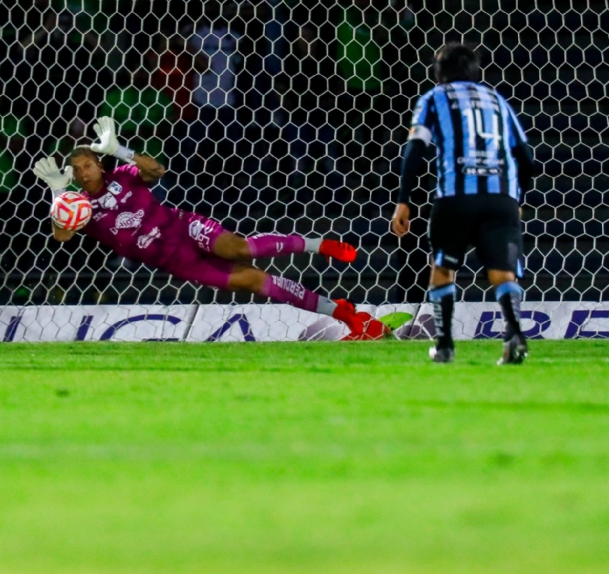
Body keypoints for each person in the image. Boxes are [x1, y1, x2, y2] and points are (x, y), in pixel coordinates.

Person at [36, 118, 381, 338]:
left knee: (239, 248)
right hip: (178, 262)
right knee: (253, 281)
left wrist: (120, 150)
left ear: (99, 163)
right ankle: (348, 317)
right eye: (76, 169)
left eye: (87, 165)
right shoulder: (77, 207)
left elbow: (157, 172)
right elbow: (61, 235)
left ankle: (318, 244)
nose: (83, 173)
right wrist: (56, 196)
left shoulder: (123, 175)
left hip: (183, 227)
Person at [390, 43, 540, 365]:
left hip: (455, 198)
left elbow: (415, 149)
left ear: (439, 71)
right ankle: (514, 335)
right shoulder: (498, 100)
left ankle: (444, 346)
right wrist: (519, 198)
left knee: (443, 268)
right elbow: (527, 158)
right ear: (475, 70)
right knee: (503, 274)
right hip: (500, 197)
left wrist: (403, 202)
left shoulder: (433, 98)